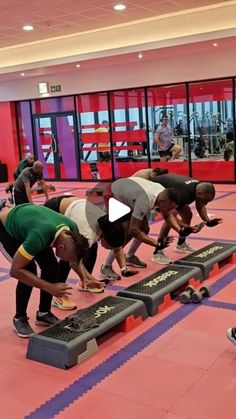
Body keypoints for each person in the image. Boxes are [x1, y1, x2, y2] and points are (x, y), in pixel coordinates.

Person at [0, 203, 89, 338]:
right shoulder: (39, 236)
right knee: (28, 269)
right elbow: (15, 271)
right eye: (67, 258)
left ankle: (43, 314)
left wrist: (85, 279)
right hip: (7, 229)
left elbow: (75, 261)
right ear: (61, 247)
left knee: (51, 266)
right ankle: (20, 318)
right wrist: (49, 287)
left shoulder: (72, 229)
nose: (66, 261)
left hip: (32, 224)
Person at [44, 195, 137, 308]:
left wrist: (123, 269)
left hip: (74, 206)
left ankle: (86, 283)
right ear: (105, 238)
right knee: (67, 256)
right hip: (55, 209)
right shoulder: (87, 233)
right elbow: (73, 262)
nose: (110, 249)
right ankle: (58, 295)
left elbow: (118, 248)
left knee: (92, 249)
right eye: (110, 247)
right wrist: (88, 278)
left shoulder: (108, 224)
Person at [101, 176, 179, 279]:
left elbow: (168, 217)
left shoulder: (162, 192)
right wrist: (157, 244)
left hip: (129, 193)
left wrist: (182, 229)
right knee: (124, 233)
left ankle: (130, 256)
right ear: (163, 201)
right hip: (113, 194)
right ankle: (106, 266)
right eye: (169, 208)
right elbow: (134, 230)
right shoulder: (145, 201)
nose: (169, 211)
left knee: (145, 229)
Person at [153, 174, 222, 264]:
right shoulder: (182, 193)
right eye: (204, 200)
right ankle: (158, 252)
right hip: (156, 190)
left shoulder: (200, 187)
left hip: (174, 190)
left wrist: (207, 221)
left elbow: (200, 205)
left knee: (187, 214)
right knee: (169, 220)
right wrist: (182, 229)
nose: (205, 203)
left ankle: (181, 244)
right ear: (199, 193)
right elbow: (170, 216)